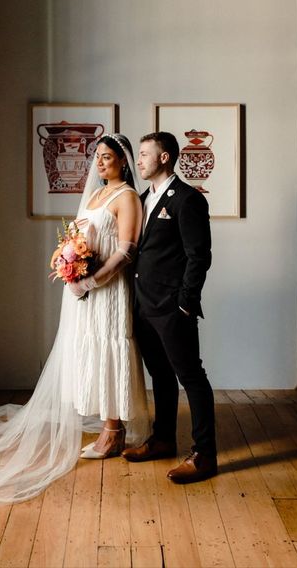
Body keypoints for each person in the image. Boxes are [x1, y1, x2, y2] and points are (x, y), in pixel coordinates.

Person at [0, 134, 149, 508]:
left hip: (107, 290)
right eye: (98, 157)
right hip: (81, 293)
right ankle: (108, 428)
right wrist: (69, 263)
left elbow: (126, 250)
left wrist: (91, 278)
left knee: (109, 350)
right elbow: (79, 237)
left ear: (124, 161)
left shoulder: (128, 198)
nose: (99, 163)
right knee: (87, 352)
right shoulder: (93, 197)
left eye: (107, 157)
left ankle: (113, 431)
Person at [121, 131, 217, 484]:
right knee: (159, 376)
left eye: (145, 153)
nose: (140, 159)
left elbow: (199, 255)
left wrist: (186, 304)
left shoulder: (187, 199)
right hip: (143, 306)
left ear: (164, 158)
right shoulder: (143, 198)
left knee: (191, 377)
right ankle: (162, 440)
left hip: (173, 308)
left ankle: (205, 455)